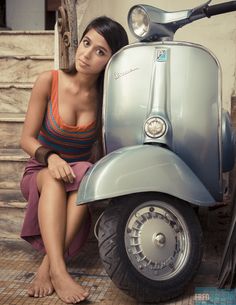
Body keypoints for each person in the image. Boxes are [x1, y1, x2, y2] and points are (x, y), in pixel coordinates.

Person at [20, 16, 128, 304]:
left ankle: (49, 267)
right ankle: (59, 269)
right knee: (55, 180)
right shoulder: (49, 81)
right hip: (41, 169)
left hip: (79, 175)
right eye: (86, 43)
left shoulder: (107, 99)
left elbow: (105, 148)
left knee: (88, 175)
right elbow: (26, 139)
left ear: (110, 61)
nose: (87, 55)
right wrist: (51, 157)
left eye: (100, 52)